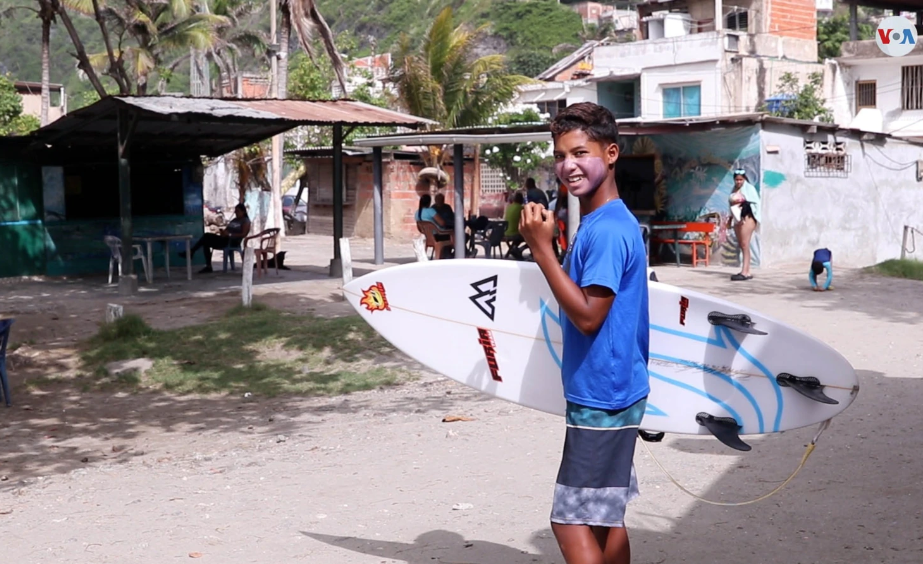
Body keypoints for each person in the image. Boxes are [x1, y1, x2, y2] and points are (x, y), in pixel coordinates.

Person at [518, 102, 650, 564]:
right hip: (612, 389)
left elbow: (590, 316)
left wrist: (542, 252)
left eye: (580, 152)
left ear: (611, 153)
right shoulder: (600, 222)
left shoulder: (609, 229)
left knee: (570, 518)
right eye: (559, 155)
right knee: (602, 516)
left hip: (603, 396)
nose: (567, 166)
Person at [181, 203, 251, 273]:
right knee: (206, 240)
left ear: (243, 211)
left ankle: (192, 252)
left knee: (206, 237)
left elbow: (243, 234)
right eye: (235, 211)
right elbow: (227, 229)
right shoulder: (234, 220)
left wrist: (230, 234)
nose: (236, 213)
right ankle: (207, 265)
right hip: (224, 238)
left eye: (238, 211)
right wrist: (223, 232)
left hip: (232, 241)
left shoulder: (245, 221)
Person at [726, 168, 761, 281]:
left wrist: (743, 205)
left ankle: (745, 272)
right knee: (741, 244)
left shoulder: (749, 189)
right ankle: (746, 270)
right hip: (737, 218)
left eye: (741, 180)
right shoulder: (734, 189)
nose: (739, 182)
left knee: (745, 244)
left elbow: (755, 203)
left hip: (747, 217)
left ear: (744, 179)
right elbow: (731, 205)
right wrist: (730, 219)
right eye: (737, 180)